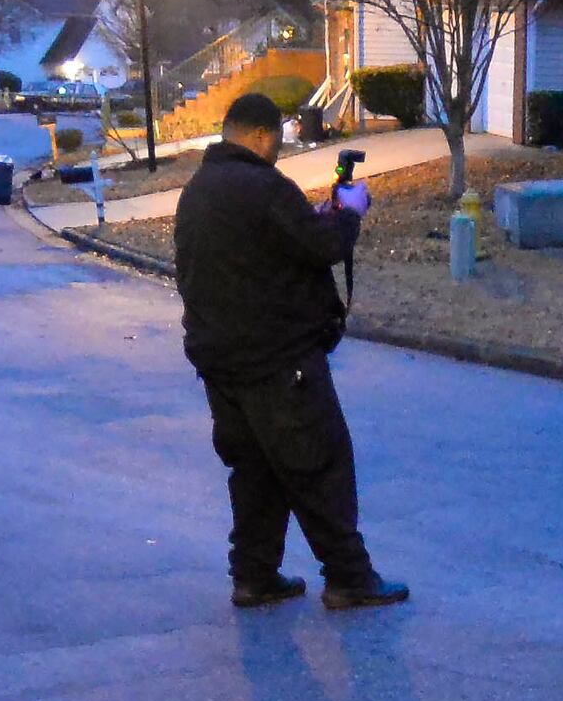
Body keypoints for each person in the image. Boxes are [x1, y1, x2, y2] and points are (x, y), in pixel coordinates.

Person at [171, 91, 403, 612]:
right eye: (276, 140)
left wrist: (317, 218)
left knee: (256, 471)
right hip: (278, 360)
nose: (277, 150)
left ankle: (254, 576)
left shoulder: (198, 190)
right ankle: (349, 577)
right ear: (259, 136)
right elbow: (323, 247)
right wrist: (348, 215)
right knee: (319, 464)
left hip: (221, 361)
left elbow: (272, 246)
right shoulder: (264, 186)